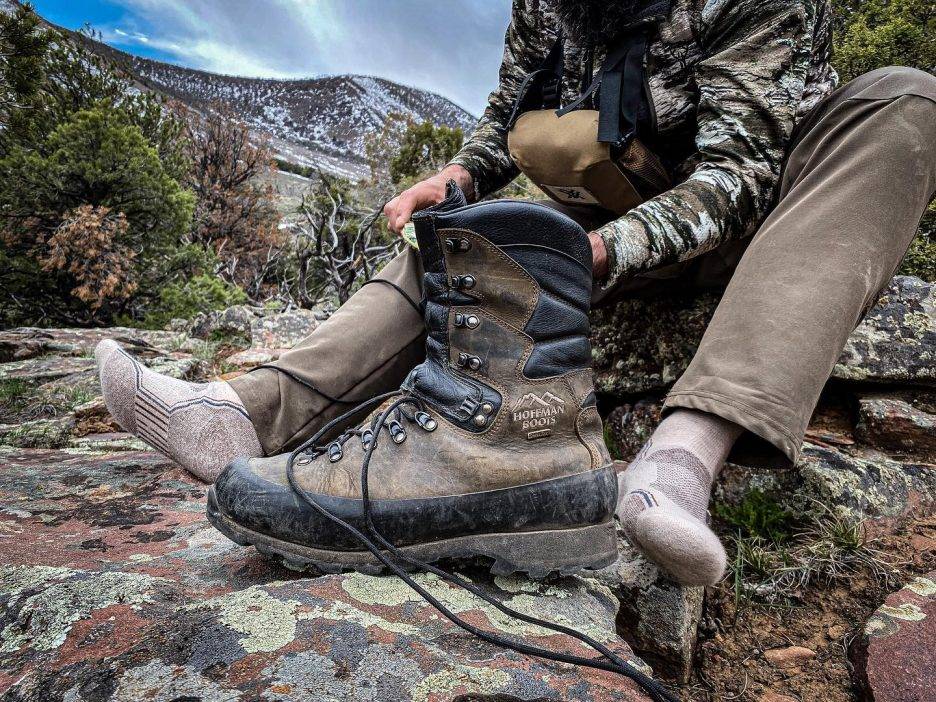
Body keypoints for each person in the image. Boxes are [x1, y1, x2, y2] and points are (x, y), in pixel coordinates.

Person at [96, 0, 936, 587]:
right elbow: (511, 110)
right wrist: (459, 177)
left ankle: (677, 466)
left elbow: (742, 174)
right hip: (624, 206)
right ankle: (243, 412)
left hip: (775, 219)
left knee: (906, 101)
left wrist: (603, 251)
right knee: (479, 231)